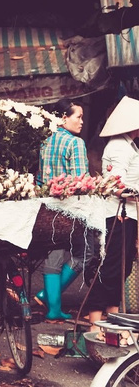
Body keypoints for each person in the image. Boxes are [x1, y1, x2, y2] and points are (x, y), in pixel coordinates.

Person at [35, 98, 92, 321]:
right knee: (86, 254)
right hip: (71, 210)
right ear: (63, 118)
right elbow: (81, 181)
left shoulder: (44, 141)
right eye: (78, 117)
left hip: (48, 208)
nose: (81, 122)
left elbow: (40, 179)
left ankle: (51, 306)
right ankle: (48, 300)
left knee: (54, 256)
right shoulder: (75, 143)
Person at [87, 96, 139, 333]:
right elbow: (116, 185)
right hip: (120, 214)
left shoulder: (128, 144)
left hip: (128, 213)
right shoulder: (119, 146)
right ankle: (96, 325)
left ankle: (113, 322)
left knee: (122, 269)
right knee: (111, 268)